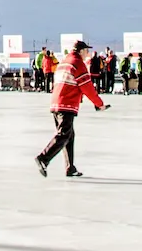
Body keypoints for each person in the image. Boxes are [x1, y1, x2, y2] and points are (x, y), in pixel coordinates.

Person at [36, 40, 106, 178]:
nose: (88, 53)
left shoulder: (64, 62)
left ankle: (70, 167)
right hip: (66, 104)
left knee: (69, 136)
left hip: (57, 102)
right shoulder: (77, 63)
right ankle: (43, 158)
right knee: (64, 135)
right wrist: (99, 103)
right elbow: (87, 87)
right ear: (80, 51)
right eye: (86, 50)